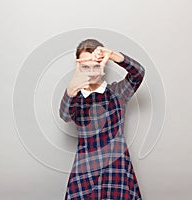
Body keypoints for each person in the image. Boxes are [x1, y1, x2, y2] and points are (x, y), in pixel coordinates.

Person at [59, 38, 145, 200]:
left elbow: (139, 73)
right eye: (86, 65)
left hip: (117, 167)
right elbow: (64, 116)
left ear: (103, 63)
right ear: (79, 67)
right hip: (85, 168)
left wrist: (113, 55)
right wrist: (71, 88)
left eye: (96, 63)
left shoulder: (118, 92)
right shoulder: (75, 97)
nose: (91, 69)